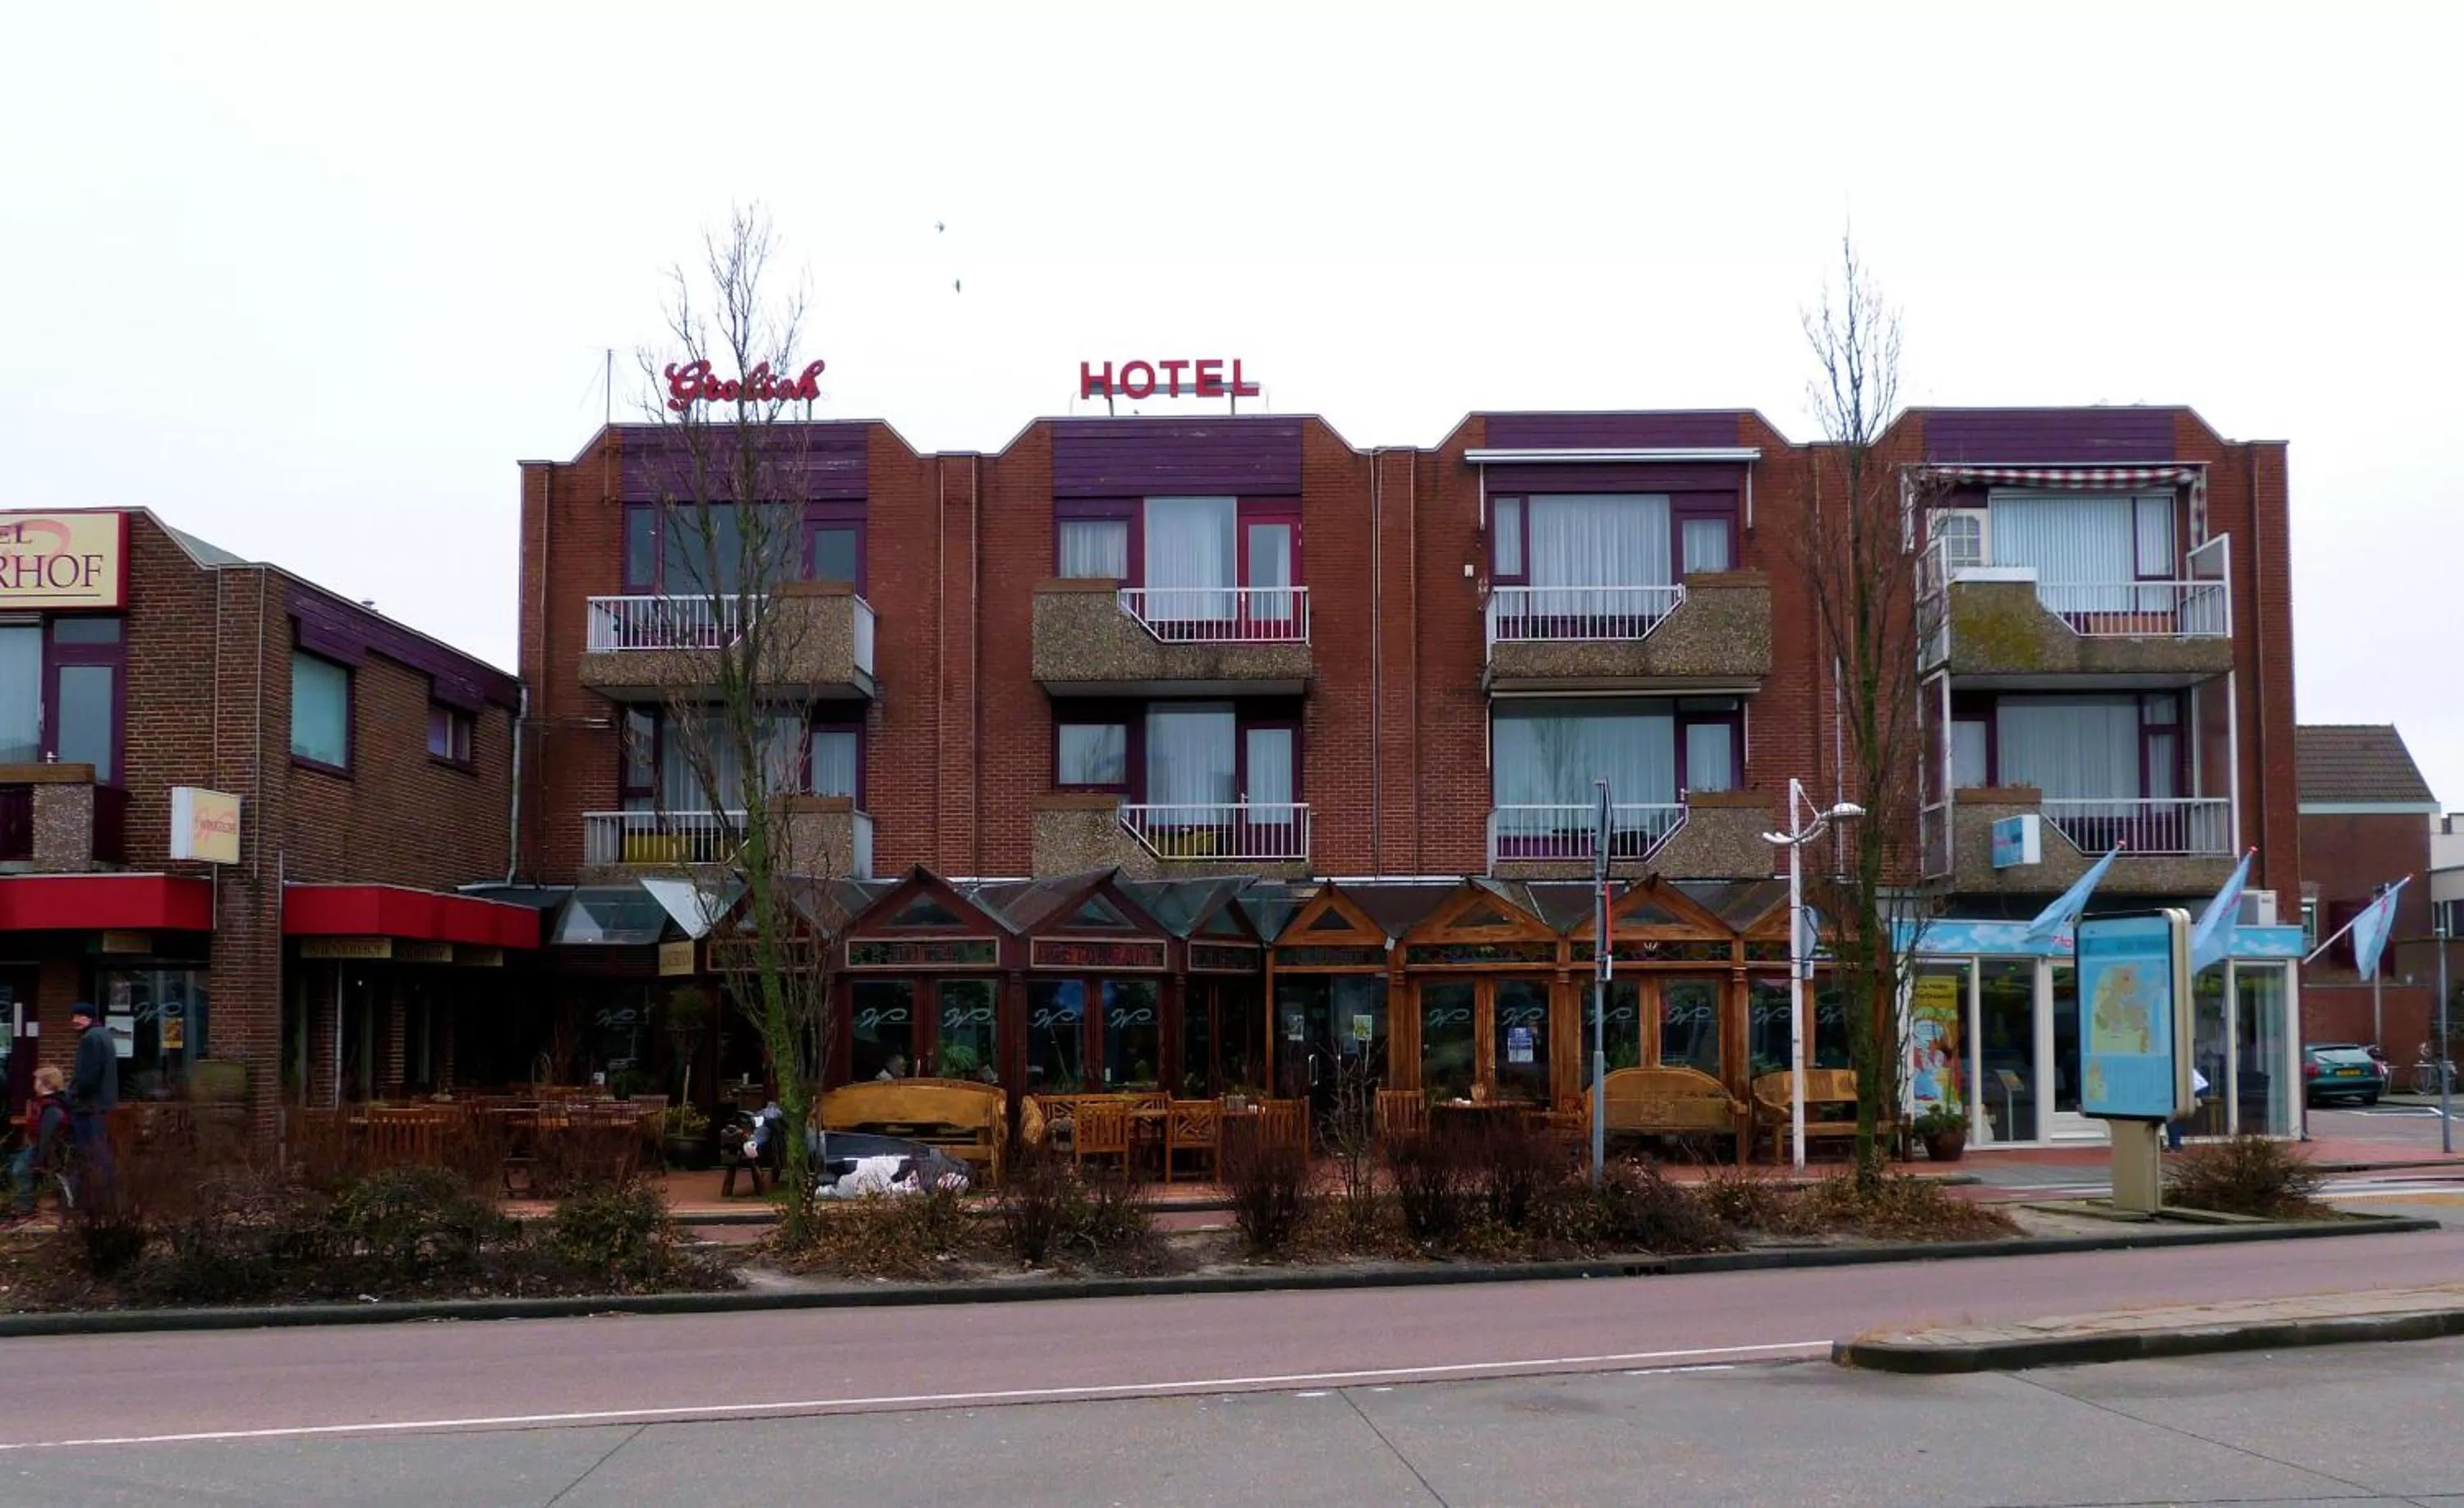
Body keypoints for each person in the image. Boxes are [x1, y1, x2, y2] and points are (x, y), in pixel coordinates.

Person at [7, 1066, 71, 1220]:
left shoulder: (52, 1107)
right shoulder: (45, 1103)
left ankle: (25, 1206)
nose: (34, 1083)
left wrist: (41, 1158)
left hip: (48, 1149)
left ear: (45, 1083)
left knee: (20, 1170)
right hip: (39, 1146)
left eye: (37, 1080)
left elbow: (47, 1135)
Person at [67, 1002, 117, 1186]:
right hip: (102, 1104)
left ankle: (93, 1195)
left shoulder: (90, 1039)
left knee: (90, 1152)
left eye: (81, 1016)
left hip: (89, 1106)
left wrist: (72, 1095)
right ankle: (105, 1194)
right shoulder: (104, 1035)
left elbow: (87, 1076)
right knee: (100, 1150)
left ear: (91, 1018)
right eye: (74, 1016)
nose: (75, 1020)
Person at [2167, 1065, 2211, 1151]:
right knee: (2175, 1118)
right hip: (2192, 1090)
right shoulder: (2182, 1067)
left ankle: (2175, 1144)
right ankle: (2175, 1143)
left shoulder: (2180, 1068)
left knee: (2174, 1118)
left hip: (2190, 1091)